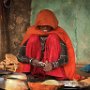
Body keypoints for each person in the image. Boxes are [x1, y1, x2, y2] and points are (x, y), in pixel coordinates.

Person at [16, 9, 83, 81]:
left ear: (52, 25)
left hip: (53, 72)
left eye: (48, 25)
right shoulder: (32, 33)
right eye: (43, 25)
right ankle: (30, 73)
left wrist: (52, 65)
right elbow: (19, 56)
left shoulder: (58, 34)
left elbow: (65, 59)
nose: (45, 27)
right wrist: (31, 61)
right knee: (33, 38)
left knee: (53, 37)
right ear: (38, 25)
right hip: (33, 71)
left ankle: (51, 75)